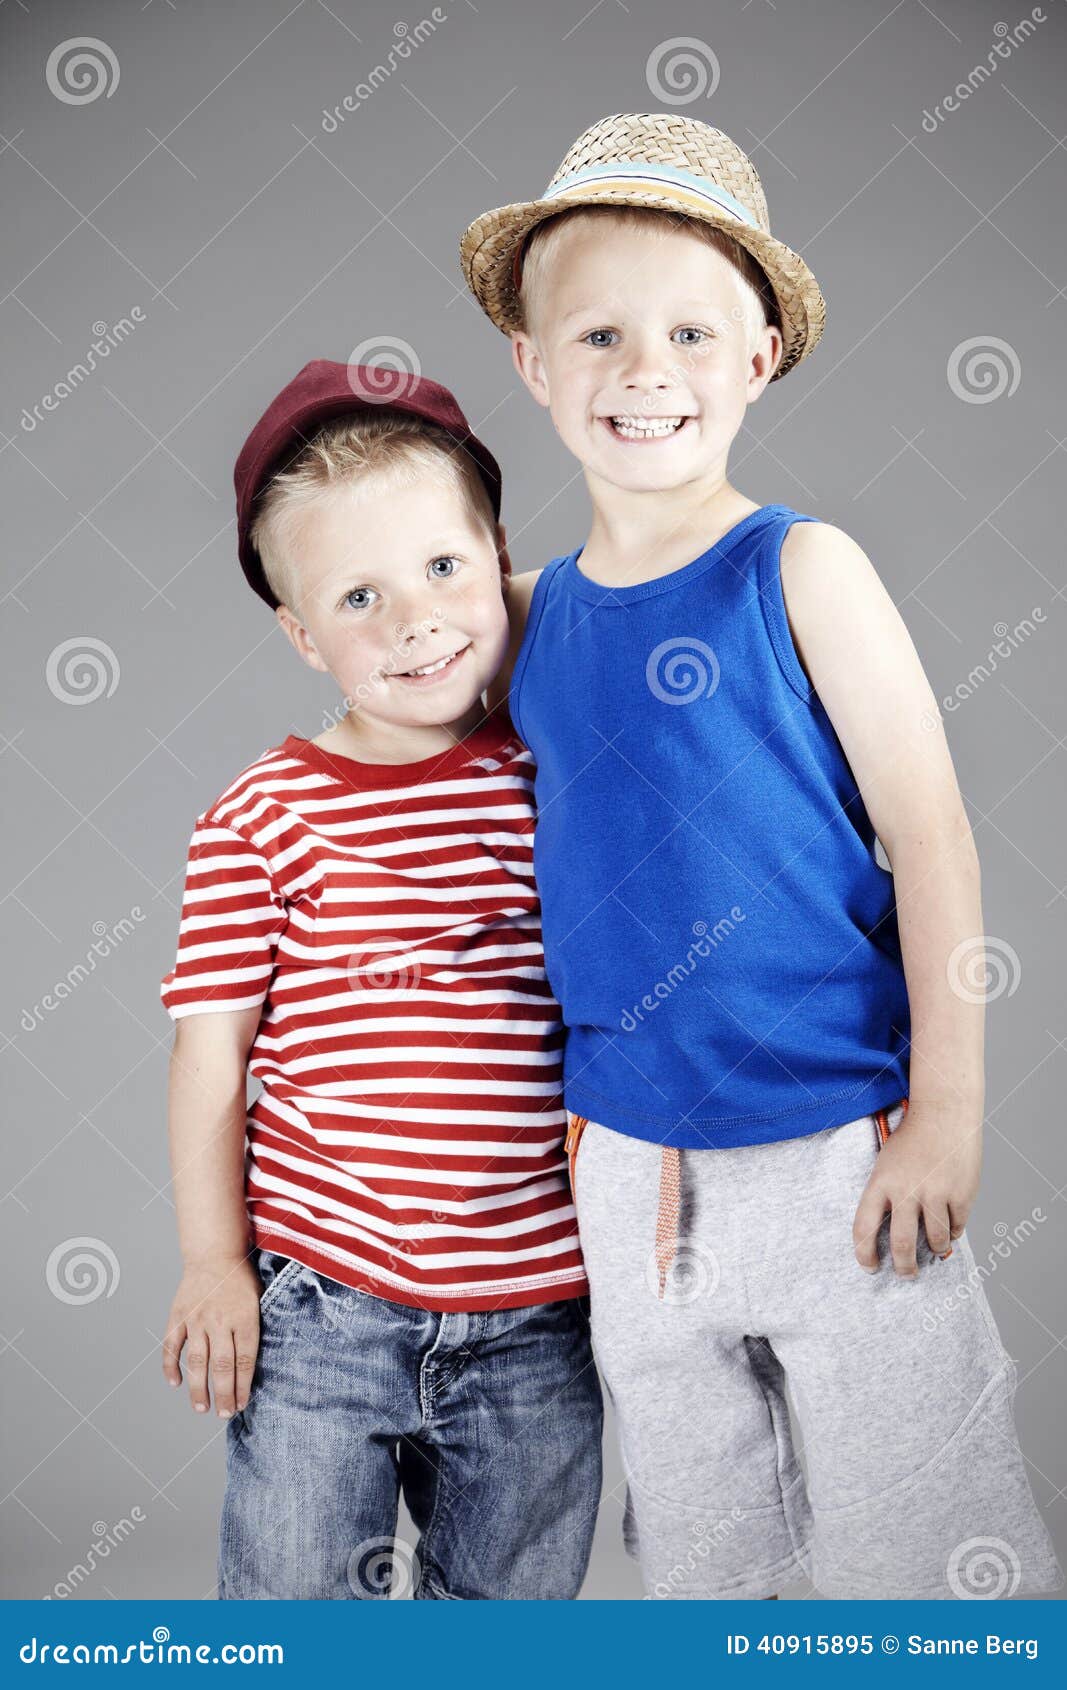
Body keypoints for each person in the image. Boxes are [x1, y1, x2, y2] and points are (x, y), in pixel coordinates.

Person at [459, 112, 1062, 1600]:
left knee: (915, 1536)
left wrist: (945, 1114)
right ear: (531, 366)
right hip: (630, 1174)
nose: (642, 370)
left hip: (835, 1151)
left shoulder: (797, 567)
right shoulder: (521, 619)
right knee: (703, 1551)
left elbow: (929, 839)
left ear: (757, 358)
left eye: (686, 331)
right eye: (595, 333)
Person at [159, 360, 602, 1600]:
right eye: (360, 595)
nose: (416, 619)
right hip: (324, 1301)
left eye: (444, 569)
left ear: (499, 556)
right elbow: (211, 1051)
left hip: (538, 1307)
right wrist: (213, 1261)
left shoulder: (551, 769)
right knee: (299, 1611)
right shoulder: (263, 813)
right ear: (302, 634)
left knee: (509, 1622)